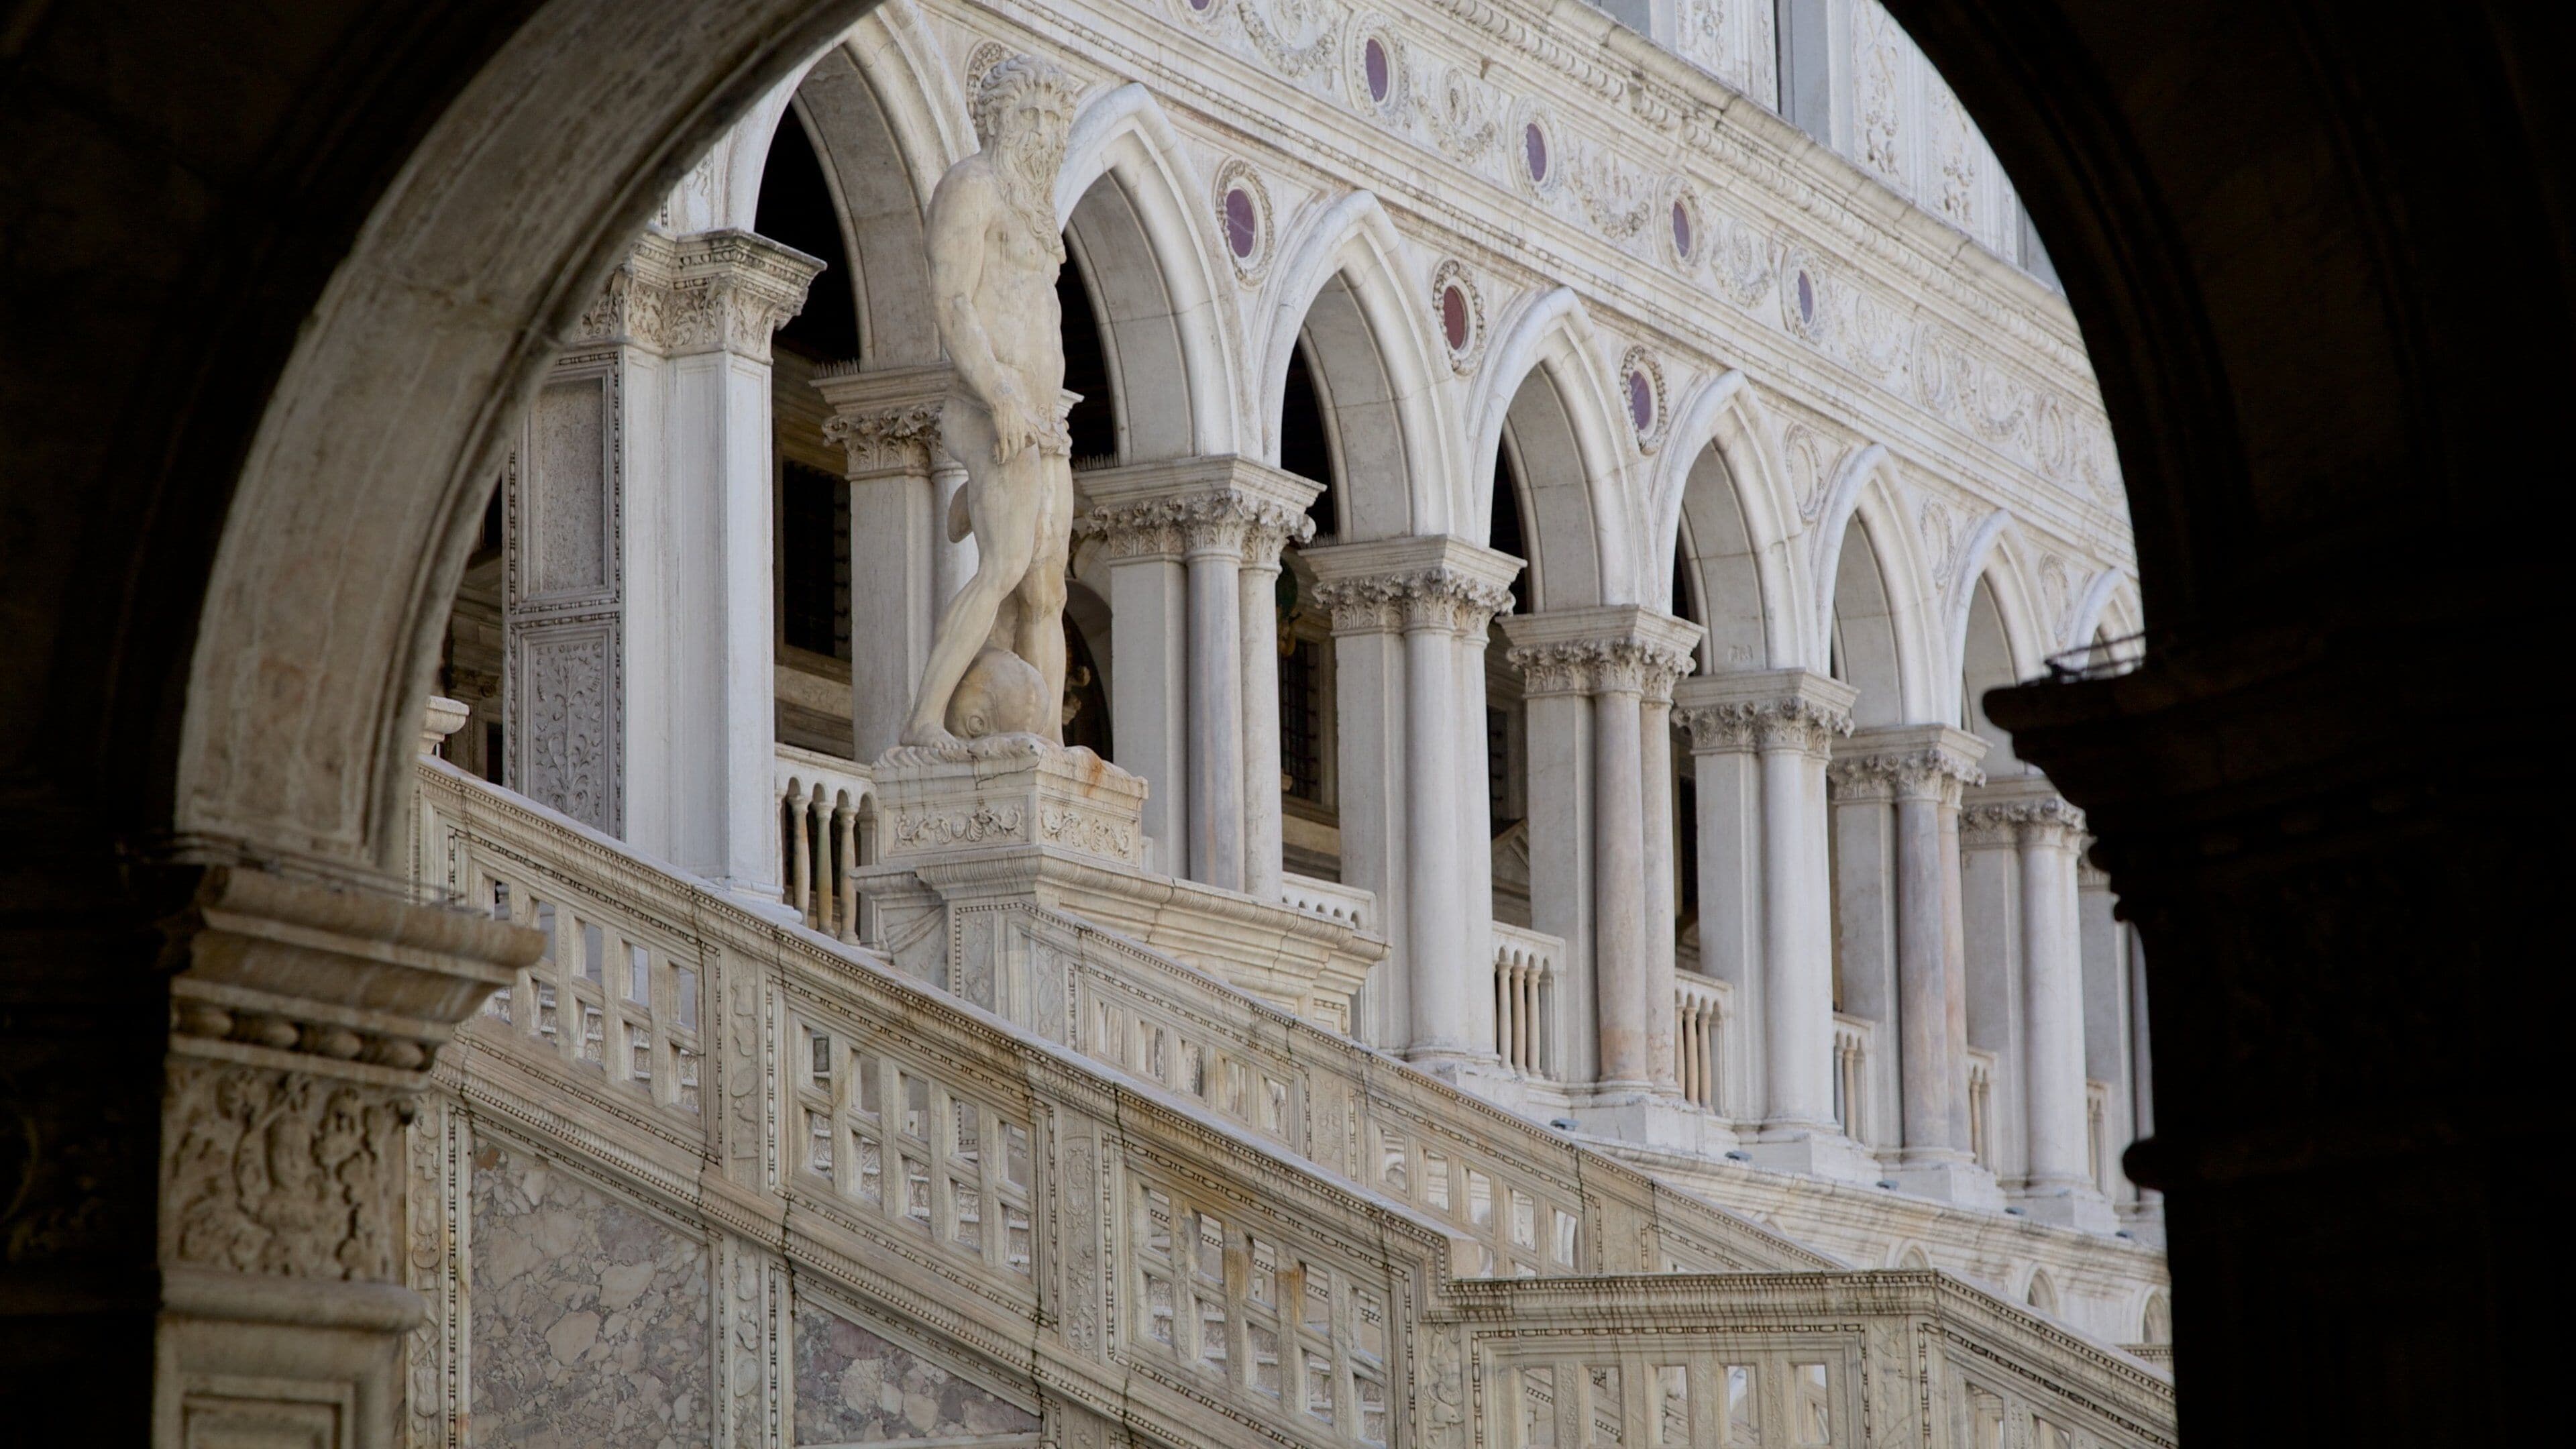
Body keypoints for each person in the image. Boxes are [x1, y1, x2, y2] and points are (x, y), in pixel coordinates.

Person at [902, 54, 1085, 747]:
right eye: (1029, 117)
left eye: (1053, 120)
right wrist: (1001, 389)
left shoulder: (1036, 210)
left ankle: (1046, 743)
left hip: (1046, 421)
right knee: (1005, 564)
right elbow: (953, 303)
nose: (1043, 133)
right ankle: (925, 719)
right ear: (997, 121)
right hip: (993, 406)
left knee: (1046, 592)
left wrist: (1040, 406)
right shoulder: (972, 186)